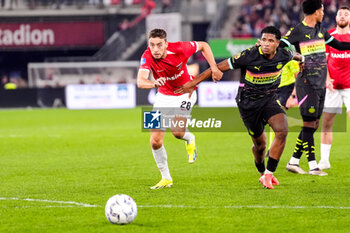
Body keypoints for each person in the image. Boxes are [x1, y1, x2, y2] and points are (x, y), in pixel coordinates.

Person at [176, 26, 304, 189]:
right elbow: (217, 67)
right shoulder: (249, 55)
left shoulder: (284, 54)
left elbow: (297, 55)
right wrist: (193, 83)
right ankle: (261, 171)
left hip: (269, 100)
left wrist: (303, 61)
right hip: (248, 104)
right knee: (260, 145)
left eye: (270, 41)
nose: (266, 43)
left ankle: (268, 175)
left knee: (282, 130)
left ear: (278, 44)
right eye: (263, 39)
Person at [137, 28, 222, 189]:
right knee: (154, 141)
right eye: (152, 45)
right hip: (162, 96)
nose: (155, 49)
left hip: (186, 92)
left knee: (177, 132)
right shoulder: (146, 56)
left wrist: (214, 68)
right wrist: (154, 83)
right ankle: (166, 178)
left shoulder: (180, 48)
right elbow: (141, 81)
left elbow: (204, 45)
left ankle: (190, 139)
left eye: (159, 45)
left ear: (166, 44)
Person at [281, 0, 350, 176]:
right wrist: (298, 58)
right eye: (322, 10)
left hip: (320, 85)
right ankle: (313, 166)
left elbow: (340, 46)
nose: (324, 13)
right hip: (306, 83)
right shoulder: (297, 30)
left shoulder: (320, 30)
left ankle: (294, 161)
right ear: (316, 12)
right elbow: (281, 48)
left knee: (313, 124)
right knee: (310, 123)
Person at [319, 6, 350, 170]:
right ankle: (324, 160)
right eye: (340, 14)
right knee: (327, 122)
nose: (343, 16)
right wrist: (327, 79)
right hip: (332, 87)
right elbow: (324, 61)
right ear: (336, 17)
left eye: (346, 14)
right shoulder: (329, 36)